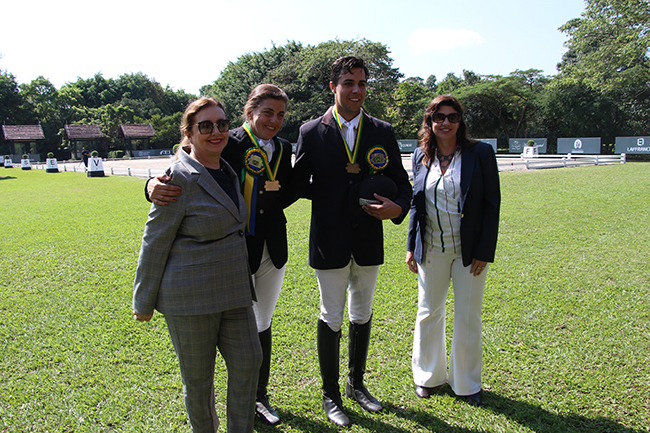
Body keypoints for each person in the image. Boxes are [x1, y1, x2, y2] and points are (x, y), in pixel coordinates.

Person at [145, 84, 292, 425]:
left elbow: (295, 186)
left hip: (257, 259)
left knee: (253, 346)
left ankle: (257, 401)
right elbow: (180, 177)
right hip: (209, 276)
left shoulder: (278, 150)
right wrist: (151, 184)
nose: (274, 120)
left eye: (280, 114)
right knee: (201, 378)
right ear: (249, 112)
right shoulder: (226, 144)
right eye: (267, 112)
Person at [289, 56, 412, 426]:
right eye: (348, 82)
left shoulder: (381, 130)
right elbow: (297, 184)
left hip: (369, 238)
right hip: (329, 239)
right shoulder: (312, 131)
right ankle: (331, 395)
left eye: (361, 83)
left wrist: (398, 208)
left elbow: (402, 183)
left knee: (363, 312)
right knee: (332, 314)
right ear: (333, 87)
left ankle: (357, 385)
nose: (356, 90)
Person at [133, 97, 262, 432]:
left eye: (222, 124)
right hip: (191, 298)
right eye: (205, 126)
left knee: (250, 361)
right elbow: (154, 240)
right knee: (199, 381)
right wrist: (143, 301)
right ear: (188, 133)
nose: (216, 131)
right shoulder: (177, 178)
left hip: (234, 291)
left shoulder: (228, 169)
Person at [405, 94, 500, 406]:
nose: (445, 122)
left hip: (469, 252)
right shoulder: (420, 156)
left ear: (460, 122)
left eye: (452, 117)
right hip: (431, 249)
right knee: (427, 312)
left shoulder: (480, 153)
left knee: (468, 315)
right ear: (430, 122)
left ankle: (466, 383)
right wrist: (411, 246)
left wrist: (484, 251)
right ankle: (427, 377)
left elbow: (491, 204)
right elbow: (416, 203)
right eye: (439, 117)